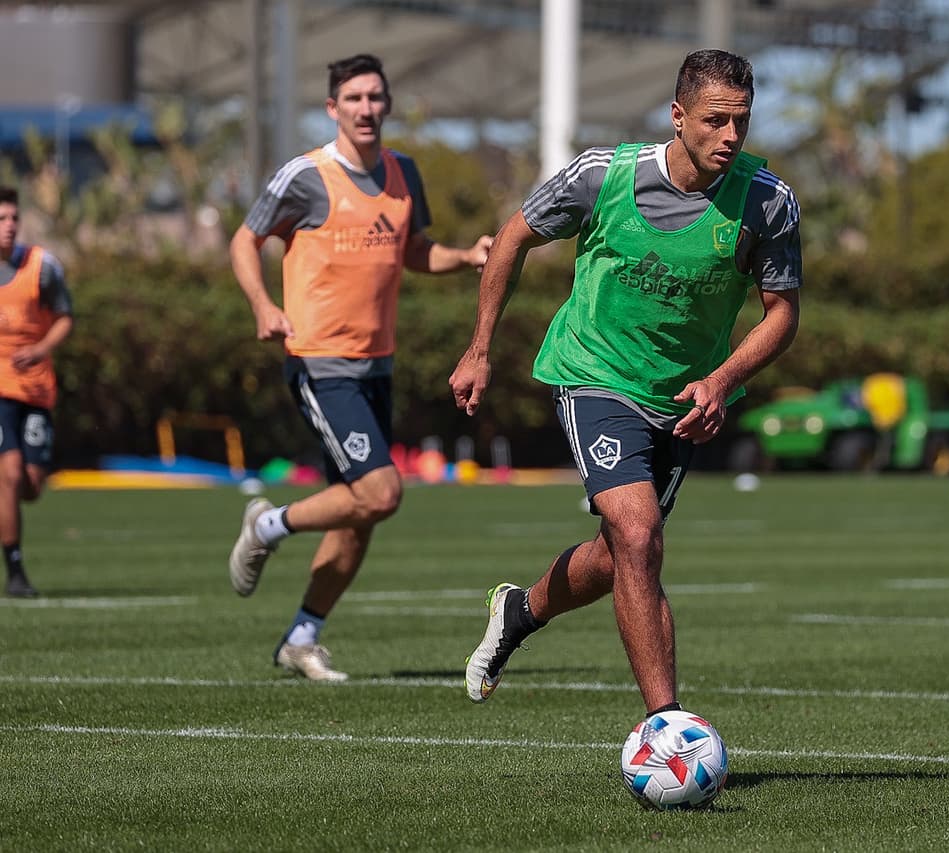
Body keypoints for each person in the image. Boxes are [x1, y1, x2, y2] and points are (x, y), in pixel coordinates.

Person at [450, 49, 801, 716]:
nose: (730, 135)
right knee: (639, 536)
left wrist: (723, 379)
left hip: (685, 397)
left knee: (621, 556)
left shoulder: (768, 201)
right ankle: (666, 728)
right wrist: (479, 349)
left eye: (742, 121)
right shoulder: (601, 176)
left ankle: (519, 611)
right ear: (677, 117)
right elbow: (511, 239)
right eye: (714, 119)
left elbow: (781, 313)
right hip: (594, 373)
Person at [228, 53, 492, 681]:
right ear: (333, 109)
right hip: (320, 360)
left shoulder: (403, 172)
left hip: (377, 364)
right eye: (353, 98)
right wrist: (264, 305)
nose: (366, 108)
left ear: (387, 104)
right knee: (380, 491)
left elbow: (414, 252)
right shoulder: (305, 176)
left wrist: (466, 255)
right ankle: (266, 525)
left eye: (375, 97)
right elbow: (245, 240)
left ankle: (301, 638)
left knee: (360, 511)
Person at [0, 187, 74, 599]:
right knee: (8, 475)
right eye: (1, 219)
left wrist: (41, 349)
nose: (9, 226)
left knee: (30, 484)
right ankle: (15, 573)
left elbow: (65, 317)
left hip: (35, 389)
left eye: (13, 218)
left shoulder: (42, 266)